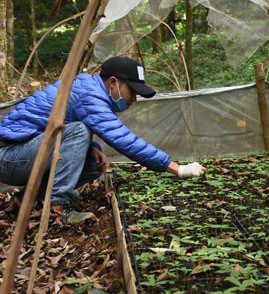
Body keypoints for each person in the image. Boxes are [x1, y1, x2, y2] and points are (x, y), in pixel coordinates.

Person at [0, 56, 205, 224]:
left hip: (24, 154)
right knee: (79, 131)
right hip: (8, 156)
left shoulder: (89, 89)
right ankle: (58, 207)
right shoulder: (90, 94)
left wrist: (90, 148)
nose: (134, 99)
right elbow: (124, 141)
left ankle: (28, 199)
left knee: (93, 163)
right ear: (113, 83)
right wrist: (176, 168)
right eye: (132, 91)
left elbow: (57, 128)